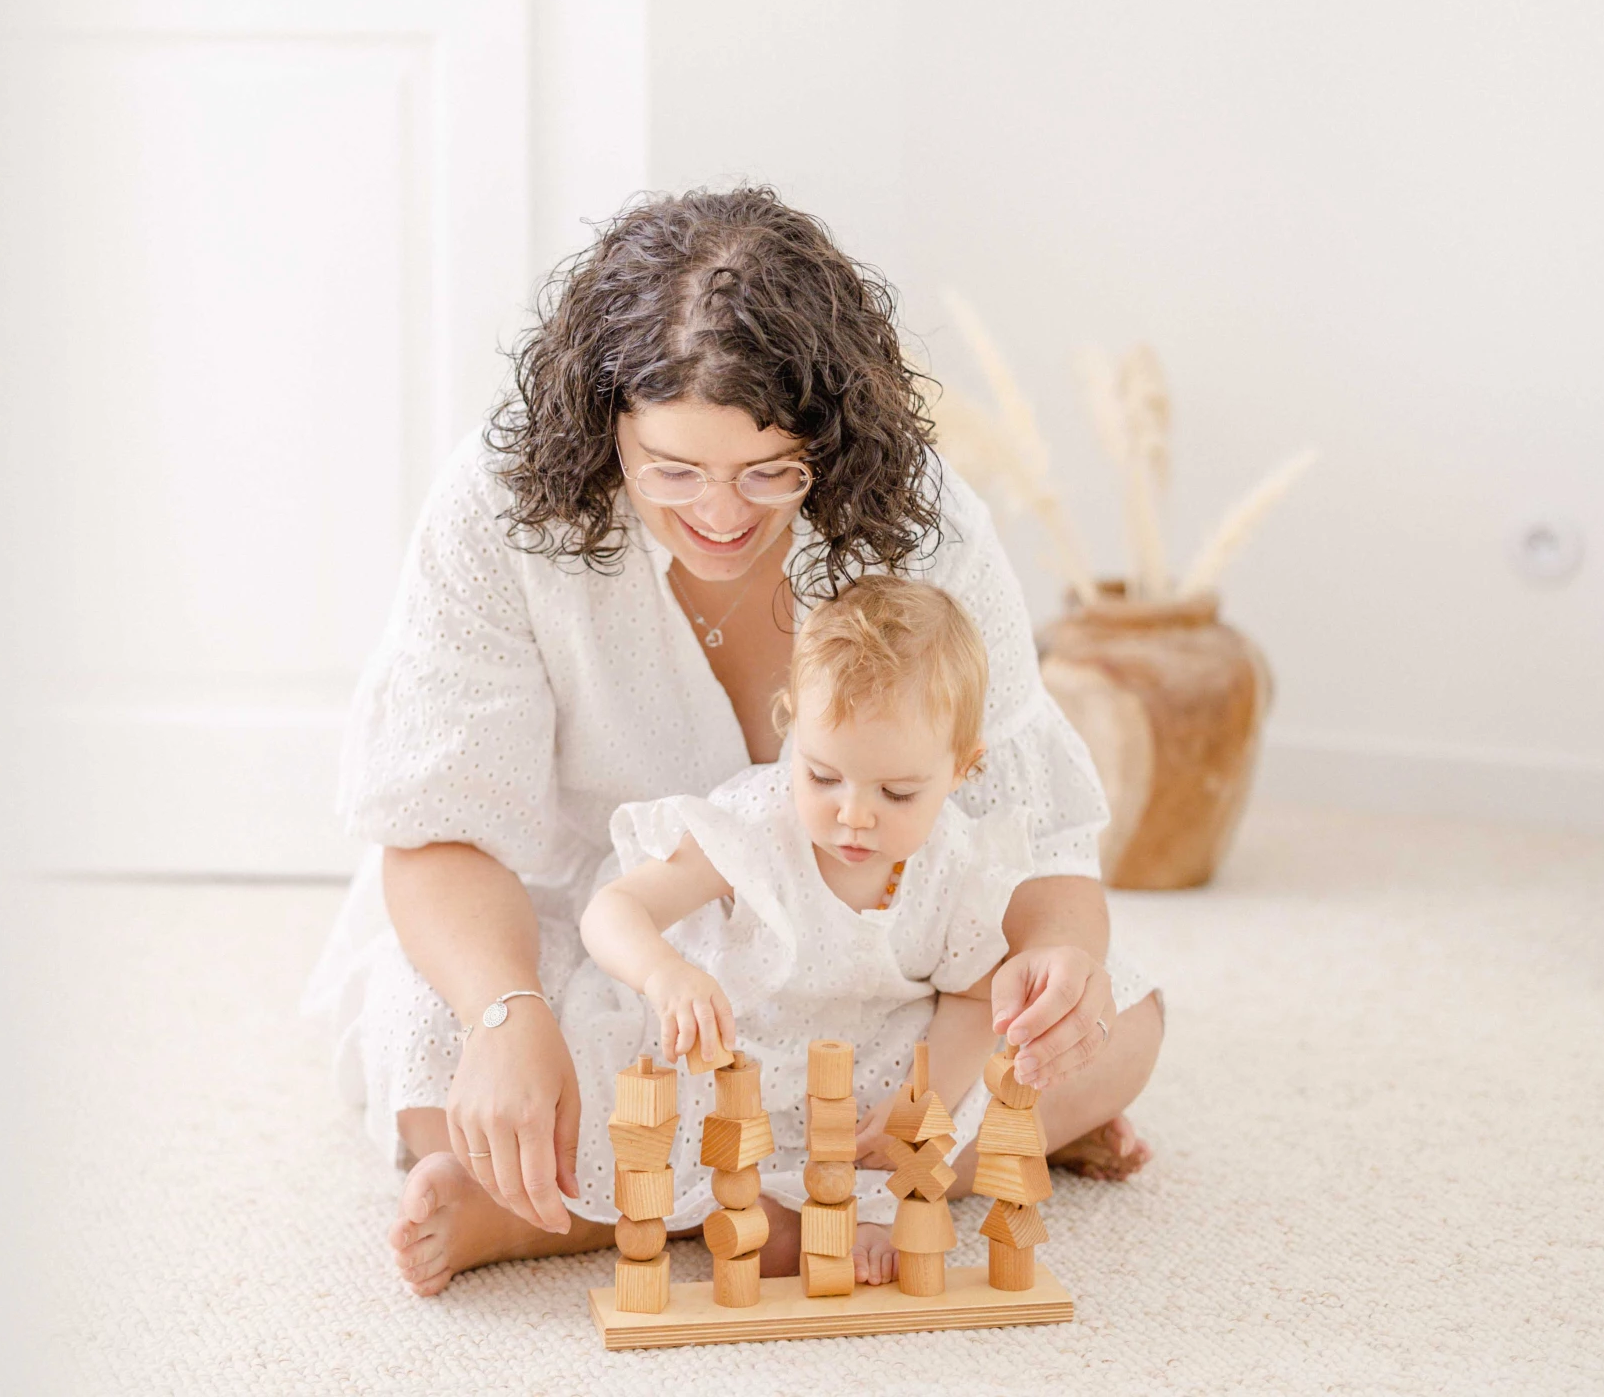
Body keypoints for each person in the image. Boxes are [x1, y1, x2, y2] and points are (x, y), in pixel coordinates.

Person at [301, 188, 1163, 1297]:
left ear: (831, 443)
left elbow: (1033, 829)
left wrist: (1061, 966)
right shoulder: (498, 509)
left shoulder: (924, 521)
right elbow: (438, 829)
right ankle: (884, 1186)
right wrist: (505, 1015)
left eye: (770, 473)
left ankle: (581, 1213)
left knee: (1122, 1025)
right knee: (439, 1063)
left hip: (868, 950)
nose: (720, 515)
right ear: (602, 425)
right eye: (672, 470)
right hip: (587, 941)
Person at [569, 576, 1152, 1285]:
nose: (853, 815)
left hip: (869, 1071)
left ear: (961, 769)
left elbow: (974, 999)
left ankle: (868, 1200)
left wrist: (923, 1104)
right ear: (794, 730)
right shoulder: (755, 827)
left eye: (897, 793)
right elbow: (613, 911)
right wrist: (666, 975)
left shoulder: (958, 865)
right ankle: (773, 1203)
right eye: (822, 777)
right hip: (736, 1050)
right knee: (685, 1171)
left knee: (974, 1097)